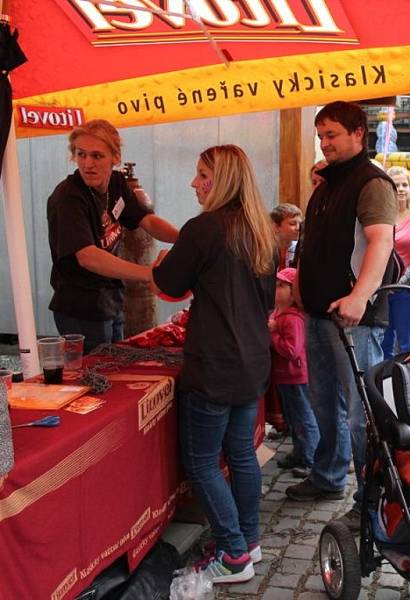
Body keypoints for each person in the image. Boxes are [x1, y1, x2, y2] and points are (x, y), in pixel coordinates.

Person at [152, 144, 277, 584]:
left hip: (214, 363)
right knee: (241, 452)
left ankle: (233, 554)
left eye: (201, 174)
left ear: (221, 179)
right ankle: (249, 539)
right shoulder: (261, 229)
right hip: (252, 359)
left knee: (203, 462)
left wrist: (162, 261)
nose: (193, 183)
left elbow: (168, 283)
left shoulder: (204, 228)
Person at [286, 102, 396, 531]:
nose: (324, 141)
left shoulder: (372, 183)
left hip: (354, 319)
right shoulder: (328, 183)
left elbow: (380, 242)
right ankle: (328, 475)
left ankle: (372, 499)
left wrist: (359, 297)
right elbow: (313, 242)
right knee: (323, 403)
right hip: (317, 310)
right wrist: (298, 284)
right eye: (320, 134)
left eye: (331, 134)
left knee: (360, 412)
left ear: (358, 133)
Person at [47, 119, 178, 352]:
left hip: (111, 302)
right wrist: (151, 274)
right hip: (81, 310)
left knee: (115, 371)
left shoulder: (116, 183)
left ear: (115, 157)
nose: (88, 164)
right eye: (81, 154)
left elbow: (146, 220)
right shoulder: (68, 198)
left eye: (97, 156)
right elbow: (88, 257)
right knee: (97, 378)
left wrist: (186, 240)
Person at [269, 267, 319, 479]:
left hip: (296, 376)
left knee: (304, 418)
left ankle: (311, 459)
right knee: (293, 418)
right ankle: (299, 452)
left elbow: (292, 350)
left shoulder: (292, 318)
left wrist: (272, 335)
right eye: (276, 285)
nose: (276, 290)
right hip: (285, 376)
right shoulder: (278, 314)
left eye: (282, 286)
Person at [382, 166, 410, 358]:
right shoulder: (380, 216)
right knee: (383, 342)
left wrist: (402, 282)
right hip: (381, 289)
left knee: (407, 343)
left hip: (408, 289)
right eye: (395, 185)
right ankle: (385, 385)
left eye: (404, 184)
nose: (400, 189)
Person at [271, 203, 302, 269]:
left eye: (300, 224)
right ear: (276, 227)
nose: (298, 228)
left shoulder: (300, 249)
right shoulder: (266, 250)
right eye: (292, 224)